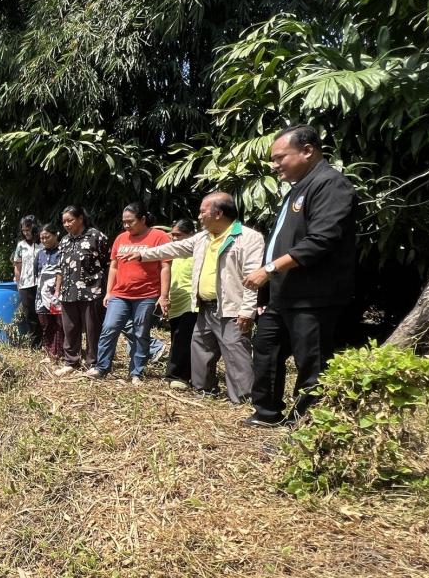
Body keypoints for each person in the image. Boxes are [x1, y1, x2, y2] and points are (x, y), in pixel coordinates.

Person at [242, 124, 357, 427]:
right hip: (282, 294)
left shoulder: (331, 184)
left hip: (313, 296)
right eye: (273, 159)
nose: (274, 165)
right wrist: (266, 293)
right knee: (266, 348)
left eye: (280, 157)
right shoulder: (298, 188)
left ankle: (306, 424)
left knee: (312, 361)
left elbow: (321, 240)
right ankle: (266, 412)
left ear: (308, 151)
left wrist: (268, 270)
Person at [122, 193, 264, 402]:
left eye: (202, 211)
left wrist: (247, 310)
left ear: (218, 213)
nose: (198, 216)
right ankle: (204, 390)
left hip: (231, 307)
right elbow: (175, 247)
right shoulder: (204, 237)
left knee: (235, 353)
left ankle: (243, 399)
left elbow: (253, 279)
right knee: (201, 349)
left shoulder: (248, 237)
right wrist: (144, 254)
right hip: (205, 307)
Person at [88, 202, 170, 384]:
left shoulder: (159, 237)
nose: (126, 226)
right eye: (124, 222)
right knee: (109, 328)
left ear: (142, 219)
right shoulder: (120, 238)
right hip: (120, 294)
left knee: (141, 333)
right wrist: (109, 292)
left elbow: (165, 267)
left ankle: (136, 373)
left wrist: (164, 296)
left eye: (130, 222)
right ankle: (102, 368)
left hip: (147, 295)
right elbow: (114, 267)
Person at [53, 206, 108, 376]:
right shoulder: (64, 241)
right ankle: (71, 361)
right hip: (68, 292)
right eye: (64, 222)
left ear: (81, 218)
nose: (67, 224)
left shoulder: (96, 236)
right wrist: (57, 290)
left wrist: (108, 289)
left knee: (92, 329)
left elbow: (109, 263)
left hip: (91, 290)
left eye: (70, 220)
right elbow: (60, 268)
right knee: (70, 329)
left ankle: (93, 363)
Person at [163, 219, 197, 388]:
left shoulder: (198, 251)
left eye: (179, 235)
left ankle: (178, 376)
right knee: (176, 337)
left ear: (191, 234)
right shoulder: (172, 252)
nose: (175, 238)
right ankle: (179, 374)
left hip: (192, 302)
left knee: (184, 337)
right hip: (174, 301)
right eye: (173, 235)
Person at [33, 224, 64, 363]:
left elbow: (62, 273)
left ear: (56, 234)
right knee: (45, 323)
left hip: (58, 294)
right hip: (42, 294)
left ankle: (60, 352)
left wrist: (57, 292)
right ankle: (48, 352)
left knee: (59, 324)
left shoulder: (63, 251)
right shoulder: (40, 254)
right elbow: (37, 274)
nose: (44, 240)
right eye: (41, 238)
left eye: (47, 237)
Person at [11, 215, 42, 347]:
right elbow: (17, 266)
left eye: (28, 229)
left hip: (43, 284)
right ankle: (35, 344)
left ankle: (49, 343)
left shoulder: (43, 242)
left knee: (44, 314)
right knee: (30, 314)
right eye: (23, 230)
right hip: (26, 284)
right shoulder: (21, 246)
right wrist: (18, 284)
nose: (26, 232)